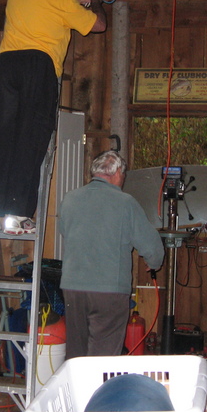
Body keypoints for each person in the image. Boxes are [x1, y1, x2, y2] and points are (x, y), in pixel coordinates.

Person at [0, 0, 107, 235]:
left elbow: (45, 8)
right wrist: (94, 1)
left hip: (7, 66)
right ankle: (18, 214)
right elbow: (98, 26)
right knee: (30, 138)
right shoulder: (59, 0)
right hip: (38, 66)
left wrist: (72, 3)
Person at [59, 150, 165, 359]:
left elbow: (65, 231)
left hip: (73, 289)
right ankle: (98, 382)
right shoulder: (125, 203)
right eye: (123, 175)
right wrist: (154, 262)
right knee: (103, 357)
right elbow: (151, 246)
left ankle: (76, 381)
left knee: (76, 354)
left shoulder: (70, 199)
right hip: (109, 291)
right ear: (117, 173)